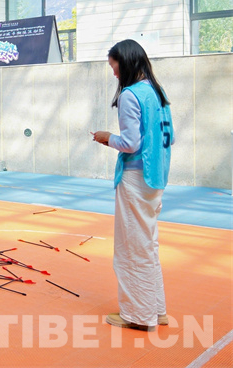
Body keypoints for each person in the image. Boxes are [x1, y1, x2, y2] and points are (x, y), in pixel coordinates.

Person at [91, 39, 174, 331]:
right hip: (155, 178)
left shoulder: (130, 95)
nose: (114, 72)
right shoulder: (158, 93)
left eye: (114, 66)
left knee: (131, 248)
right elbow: (169, 138)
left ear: (125, 62)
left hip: (136, 179)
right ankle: (156, 310)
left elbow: (129, 143)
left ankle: (138, 315)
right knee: (147, 244)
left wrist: (107, 137)